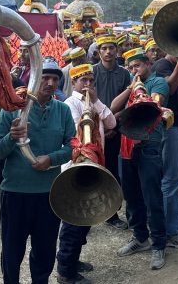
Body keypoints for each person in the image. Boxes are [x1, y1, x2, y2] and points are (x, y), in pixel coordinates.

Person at [0, 58, 75, 284]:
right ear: (33, 80)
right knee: (12, 251)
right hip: (16, 192)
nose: (49, 83)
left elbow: (72, 146)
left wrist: (51, 159)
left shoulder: (63, 110)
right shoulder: (12, 110)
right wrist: (12, 136)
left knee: (45, 250)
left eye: (54, 79)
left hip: (49, 193)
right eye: (44, 77)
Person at [57, 63, 116, 284]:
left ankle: (74, 260)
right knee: (73, 220)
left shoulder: (96, 102)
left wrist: (97, 102)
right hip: (75, 168)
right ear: (74, 83)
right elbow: (77, 129)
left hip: (95, 166)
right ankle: (65, 271)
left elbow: (111, 122)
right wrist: (87, 109)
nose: (88, 85)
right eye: (83, 81)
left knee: (86, 217)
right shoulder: (69, 103)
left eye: (91, 81)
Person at [110, 48, 169, 270]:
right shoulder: (131, 84)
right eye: (131, 67)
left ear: (148, 64)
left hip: (148, 146)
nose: (134, 70)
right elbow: (114, 107)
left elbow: (153, 104)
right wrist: (130, 87)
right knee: (132, 197)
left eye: (138, 66)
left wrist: (139, 88)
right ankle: (140, 237)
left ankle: (159, 244)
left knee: (152, 198)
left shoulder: (158, 83)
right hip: (127, 147)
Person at [152, 52, 178, 249]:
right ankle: (170, 232)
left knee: (172, 178)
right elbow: (168, 88)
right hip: (168, 127)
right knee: (171, 178)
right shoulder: (161, 64)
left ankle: (168, 227)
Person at [92, 35, 129, 230]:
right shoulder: (92, 72)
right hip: (95, 131)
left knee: (113, 171)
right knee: (94, 170)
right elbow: (86, 100)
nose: (108, 52)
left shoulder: (124, 74)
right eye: (104, 48)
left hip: (115, 130)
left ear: (117, 50)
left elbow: (128, 101)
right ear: (98, 52)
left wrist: (113, 124)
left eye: (111, 48)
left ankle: (112, 213)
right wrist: (101, 125)